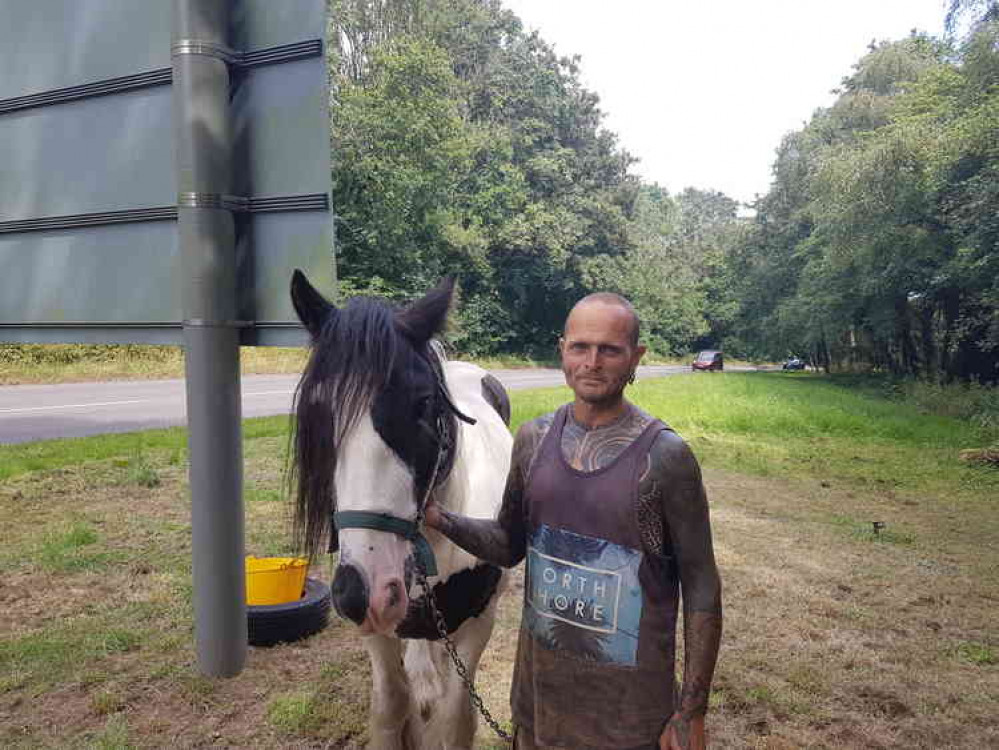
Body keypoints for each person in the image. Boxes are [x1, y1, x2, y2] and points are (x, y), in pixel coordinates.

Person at [425, 293, 723, 750]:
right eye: (581, 347)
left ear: (636, 357)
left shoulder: (666, 458)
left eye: (610, 349)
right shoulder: (532, 439)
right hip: (539, 702)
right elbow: (508, 544)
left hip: (629, 716)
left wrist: (690, 711)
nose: (593, 361)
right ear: (562, 349)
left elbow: (701, 584)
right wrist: (440, 518)